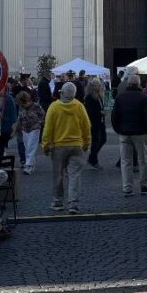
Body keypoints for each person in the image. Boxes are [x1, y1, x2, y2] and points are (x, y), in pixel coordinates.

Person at [42, 82, 92, 213]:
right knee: (74, 175)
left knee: (58, 175)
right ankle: (73, 204)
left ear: (62, 93)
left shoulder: (54, 107)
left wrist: (46, 146)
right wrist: (87, 143)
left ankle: (57, 202)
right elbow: (86, 126)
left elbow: (47, 129)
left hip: (58, 146)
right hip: (76, 145)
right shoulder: (79, 106)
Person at [112, 74, 147, 196]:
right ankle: (145, 185)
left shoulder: (120, 97)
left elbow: (114, 115)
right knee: (143, 160)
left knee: (125, 161)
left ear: (128, 84)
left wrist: (118, 129)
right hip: (140, 133)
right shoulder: (143, 97)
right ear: (139, 84)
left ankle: (127, 187)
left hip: (124, 133)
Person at [14, 90, 45, 174]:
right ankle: (31, 165)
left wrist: (40, 122)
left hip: (34, 128)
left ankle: (28, 166)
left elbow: (42, 114)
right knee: (27, 147)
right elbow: (20, 118)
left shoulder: (35, 106)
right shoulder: (22, 107)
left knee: (31, 147)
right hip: (25, 129)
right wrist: (16, 129)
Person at [84, 79, 108, 169]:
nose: (99, 86)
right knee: (96, 141)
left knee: (103, 139)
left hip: (100, 121)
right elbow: (89, 111)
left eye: (99, 85)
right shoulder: (89, 97)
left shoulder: (98, 95)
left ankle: (92, 157)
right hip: (94, 122)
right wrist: (100, 112)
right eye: (97, 85)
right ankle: (94, 160)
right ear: (92, 86)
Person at [0, 89, 18, 158]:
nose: (0, 91)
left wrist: (14, 128)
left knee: (2, 142)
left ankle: (1, 157)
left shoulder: (9, 99)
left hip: (6, 126)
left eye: (2, 89)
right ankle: (1, 154)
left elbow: (13, 114)